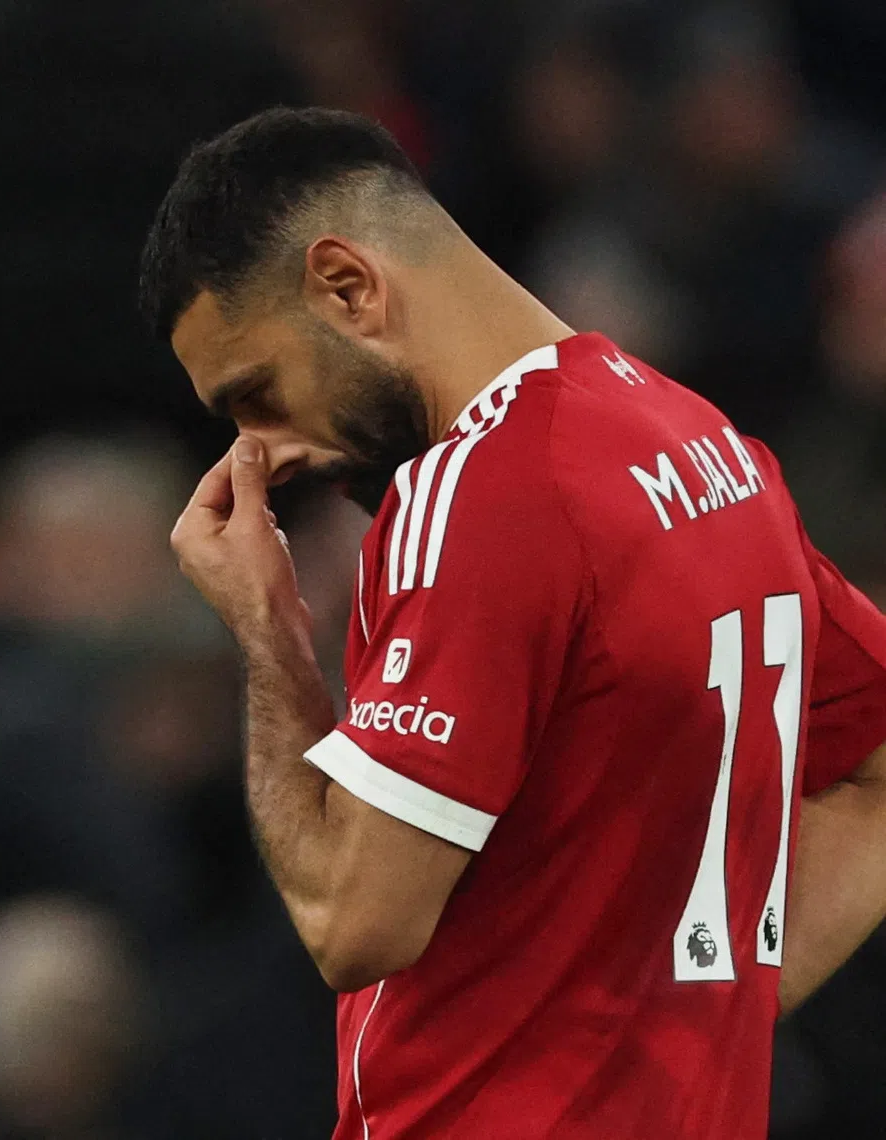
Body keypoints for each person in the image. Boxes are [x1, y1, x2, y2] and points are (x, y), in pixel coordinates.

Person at [137, 107, 886, 1139]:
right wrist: (689, 1026)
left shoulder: (482, 493)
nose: (267, 455)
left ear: (347, 286)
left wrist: (267, 629)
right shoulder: (702, 442)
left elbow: (354, 920)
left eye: (257, 395)